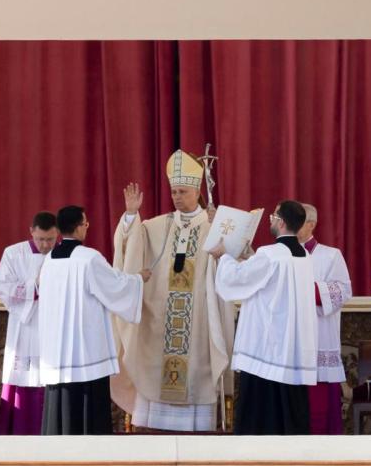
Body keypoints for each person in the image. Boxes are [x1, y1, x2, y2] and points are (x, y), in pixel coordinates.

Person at [111, 150, 235, 431]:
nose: (176, 197)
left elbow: (240, 258)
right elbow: (129, 248)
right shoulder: (157, 227)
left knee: (196, 385)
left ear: (196, 190)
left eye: (182, 191)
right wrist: (130, 216)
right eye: (173, 191)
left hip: (198, 325)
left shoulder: (213, 226)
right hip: (161, 325)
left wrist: (223, 237)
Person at [39, 205, 147, 434]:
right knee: (88, 409)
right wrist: (138, 279)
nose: (86, 227)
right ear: (79, 227)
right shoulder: (89, 258)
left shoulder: (49, 259)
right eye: (85, 223)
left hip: (56, 347)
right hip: (84, 348)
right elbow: (114, 286)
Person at [213, 200, 317, 435]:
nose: (270, 219)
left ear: (280, 222)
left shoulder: (270, 254)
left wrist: (223, 257)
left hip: (267, 347)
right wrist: (250, 257)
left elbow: (237, 280)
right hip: (292, 347)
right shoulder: (304, 256)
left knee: (261, 415)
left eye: (273, 216)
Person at [0, 210, 58, 434]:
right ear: (31, 232)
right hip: (25, 326)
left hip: (54, 326)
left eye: (50, 239)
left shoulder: (63, 255)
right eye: (40, 239)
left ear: (57, 233)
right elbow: (2, 286)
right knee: (23, 376)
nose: (45, 245)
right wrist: (35, 285)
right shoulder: (13, 254)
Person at [299, 203, 352, 434]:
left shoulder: (330, 255)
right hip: (287, 345)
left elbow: (341, 291)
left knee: (318, 415)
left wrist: (300, 289)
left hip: (318, 340)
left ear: (311, 224)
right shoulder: (277, 255)